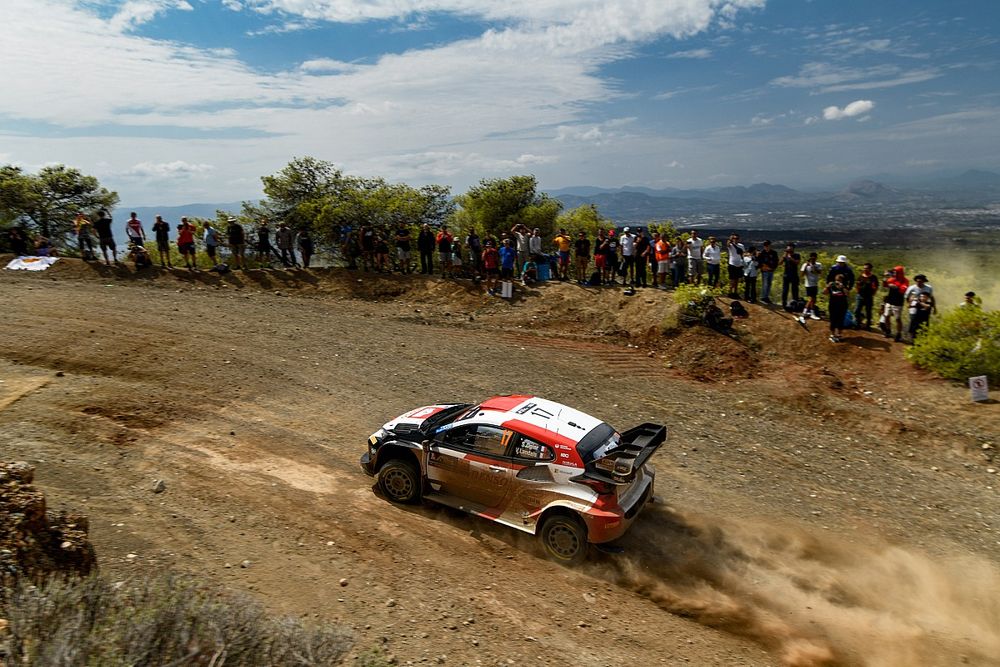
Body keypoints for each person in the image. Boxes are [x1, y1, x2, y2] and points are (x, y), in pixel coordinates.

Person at [904, 274, 936, 341]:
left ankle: (921, 339)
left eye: (921, 281)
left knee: (923, 323)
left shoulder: (928, 288)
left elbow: (932, 297)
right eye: (917, 281)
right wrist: (909, 303)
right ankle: (913, 338)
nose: (919, 283)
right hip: (914, 308)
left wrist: (934, 308)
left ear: (924, 281)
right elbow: (907, 297)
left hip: (924, 308)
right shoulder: (911, 288)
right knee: (913, 322)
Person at [881, 266, 908, 342]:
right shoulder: (892, 279)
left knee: (897, 319)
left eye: (896, 272)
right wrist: (885, 278)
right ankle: (888, 331)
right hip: (889, 300)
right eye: (894, 272)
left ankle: (898, 334)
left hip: (898, 303)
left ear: (900, 273)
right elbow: (885, 285)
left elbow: (902, 290)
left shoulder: (905, 280)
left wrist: (894, 286)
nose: (894, 273)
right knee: (886, 316)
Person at [853, 263, 879, 330]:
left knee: (868, 311)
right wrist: (858, 291)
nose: (865, 269)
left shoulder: (873, 277)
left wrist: (873, 294)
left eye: (866, 268)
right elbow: (857, 285)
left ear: (870, 269)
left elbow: (876, 287)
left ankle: (868, 326)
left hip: (868, 297)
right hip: (860, 296)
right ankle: (857, 324)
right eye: (864, 268)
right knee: (857, 310)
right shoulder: (860, 276)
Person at [824, 273, 849, 342]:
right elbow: (824, 293)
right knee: (833, 319)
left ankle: (839, 334)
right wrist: (827, 286)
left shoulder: (844, 286)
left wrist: (842, 287)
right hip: (833, 304)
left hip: (842, 305)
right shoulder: (832, 285)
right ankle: (832, 334)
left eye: (839, 280)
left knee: (840, 319)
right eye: (837, 280)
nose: (838, 282)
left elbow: (847, 294)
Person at [799, 252, 823, 321]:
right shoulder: (805, 265)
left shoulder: (818, 264)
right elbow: (801, 274)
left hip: (815, 284)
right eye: (812, 258)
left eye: (814, 258)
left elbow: (819, 272)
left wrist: (813, 266)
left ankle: (805, 312)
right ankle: (811, 313)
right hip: (808, 284)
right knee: (812, 298)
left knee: (813, 299)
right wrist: (806, 266)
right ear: (810, 258)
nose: (813, 259)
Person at [780, 243, 801, 308]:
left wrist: (790, 258)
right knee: (785, 290)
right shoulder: (785, 255)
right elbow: (780, 263)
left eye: (790, 249)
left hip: (794, 275)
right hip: (786, 275)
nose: (788, 250)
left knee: (795, 290)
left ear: (793, 249)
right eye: (787, 249)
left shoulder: (797, 255)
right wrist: (783, 257)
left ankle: (795, 303)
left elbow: (797, 262)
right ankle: (784, 303)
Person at [726, 233, 745, 299]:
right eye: (734, 238)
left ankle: (735, 293)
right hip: (732, 264)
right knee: (732, 280)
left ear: (739, 239)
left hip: (739, 264)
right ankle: (730, 292)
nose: (735, 239)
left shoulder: (741, 246)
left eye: (737, 238)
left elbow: (743, 254)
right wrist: (730, 239)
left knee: (737, 280)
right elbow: (727, 244)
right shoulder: (731, 245)